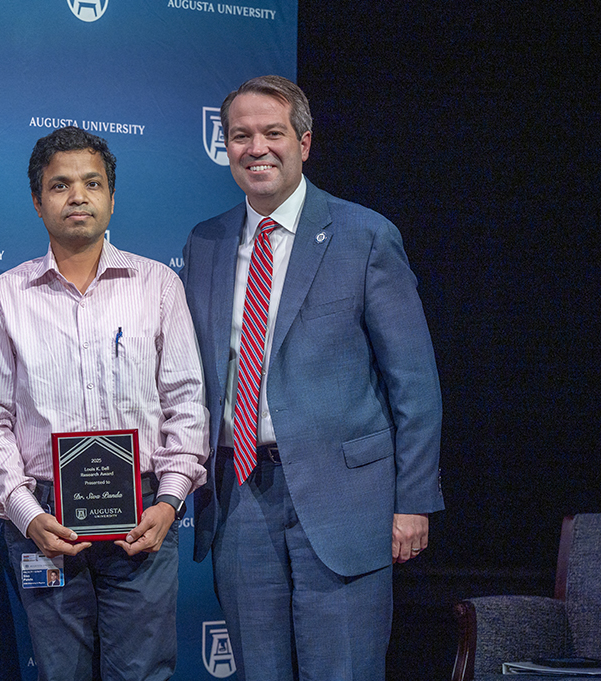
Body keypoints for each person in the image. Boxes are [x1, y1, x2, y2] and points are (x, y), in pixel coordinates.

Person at [181, 76, 444, 681]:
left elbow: (414, 382)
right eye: (241, 136)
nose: (257, 148)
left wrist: (414, 501)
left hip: (346, 500)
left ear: (304, 142)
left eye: (273, 133)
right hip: (241, 494)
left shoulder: (365, 235)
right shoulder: (206, 242)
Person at [0, 126, 208, 681]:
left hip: (144, 516)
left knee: (143, 675)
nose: (77, 196)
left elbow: (187, 403)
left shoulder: (158, 286)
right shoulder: (5, 297)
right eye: (60, 185)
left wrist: (168, 502)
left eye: (92, 183)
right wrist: (27, 514)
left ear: (111, 197)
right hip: (45, 521)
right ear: (37, 201)